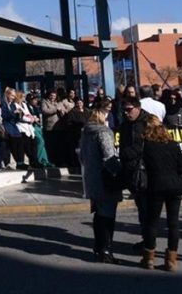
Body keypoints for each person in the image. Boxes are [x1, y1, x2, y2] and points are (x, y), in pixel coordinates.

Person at [139, 115, 182, 271]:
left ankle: (149, 257)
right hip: (175, 185)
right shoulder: (173, 145)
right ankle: (172, 259)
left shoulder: (147, 146)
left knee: (152, 222)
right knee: (173, 223)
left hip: (156, 186)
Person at [79, 97, 121, 263]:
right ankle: (106, 250)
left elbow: (82, 156)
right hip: (106, 179)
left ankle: (99, 248)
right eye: (107, 111)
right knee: (108, 216)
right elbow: (109, 157)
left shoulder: (86, 132)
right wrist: (119, 172)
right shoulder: (104, 132)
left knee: (99, 214)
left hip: (91, 177)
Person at [118, 96, 150, 247]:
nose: (126, 113)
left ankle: (149, 242)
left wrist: (125, 154)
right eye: (124, 110)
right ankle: (146, 239)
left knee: (146, 209)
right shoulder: (126, 124)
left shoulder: (146, 122)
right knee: (142, 208)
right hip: (131, 170)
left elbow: (141, 146)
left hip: (144, 170)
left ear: (137, 108)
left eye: (129, 109)